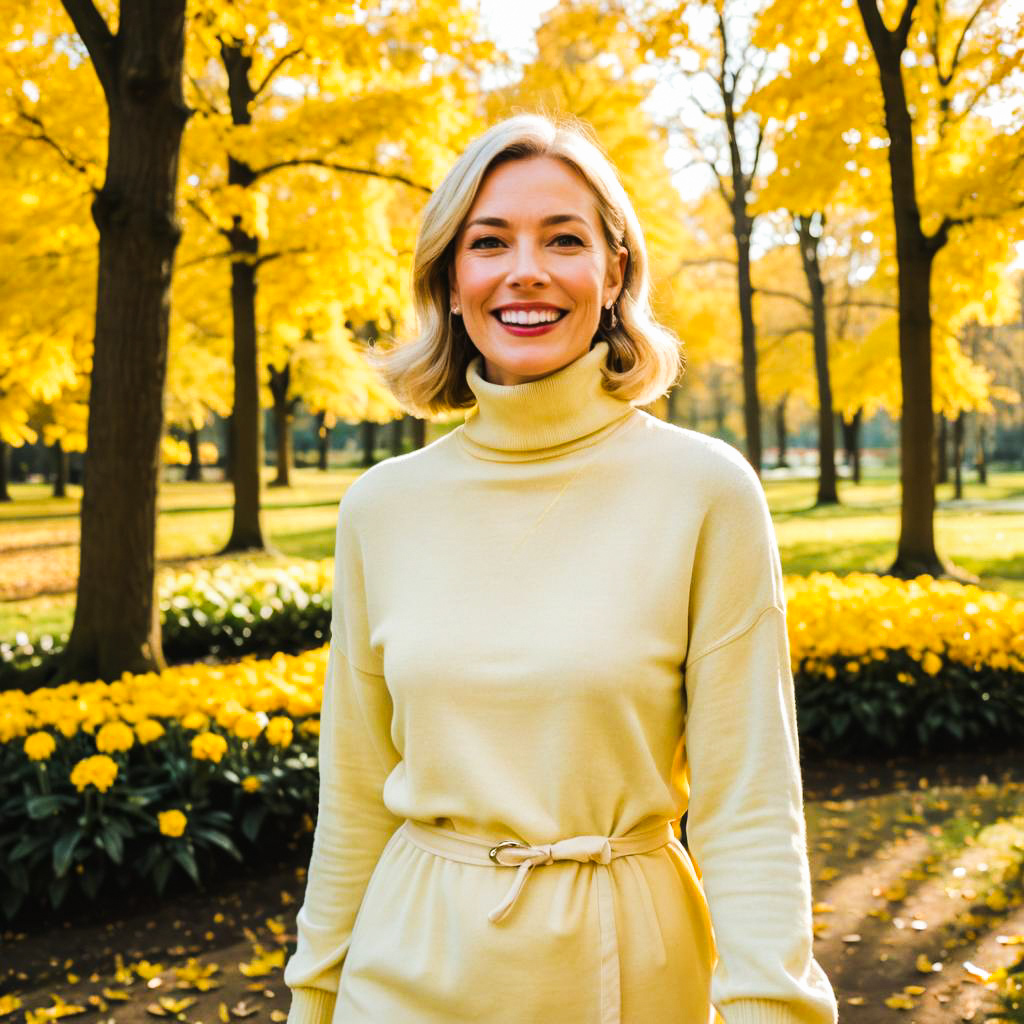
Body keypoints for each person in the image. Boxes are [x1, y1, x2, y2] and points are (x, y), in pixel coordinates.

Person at [282, 113, 839, 1024]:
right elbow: (351, 793)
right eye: (489, 241)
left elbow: (750, 803)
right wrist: (314, 997)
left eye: (564, 239)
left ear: (615, 271)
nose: (525, 270)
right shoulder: (380, 508)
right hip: (405, 968)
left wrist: (773, 1009)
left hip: (630, 971)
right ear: (451, 280)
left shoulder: (704, 491)